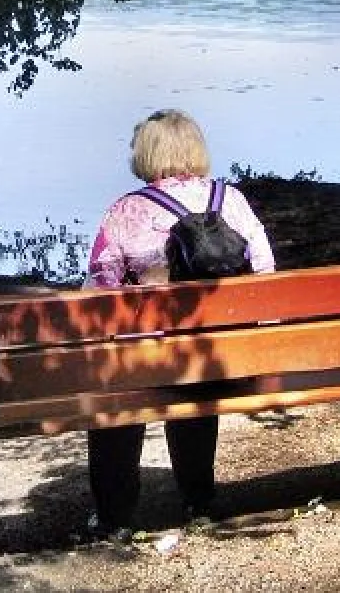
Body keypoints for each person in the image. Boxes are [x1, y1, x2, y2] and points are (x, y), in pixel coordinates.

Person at [84, 108, 276, 535]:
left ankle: (115, 517)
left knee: (118, 385)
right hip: (224, 360)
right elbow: (265, 273)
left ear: (145, 154)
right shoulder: (233, 201)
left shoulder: (126, 211)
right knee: (192, 366)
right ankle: (198, 498)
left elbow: (100, 291)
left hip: (151, 365)